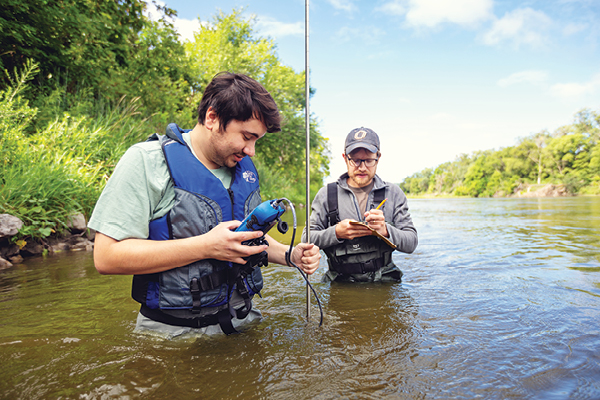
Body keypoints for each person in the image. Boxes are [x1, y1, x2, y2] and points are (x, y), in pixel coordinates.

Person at [89, 72, 321, 338]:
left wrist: (290, 255)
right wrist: (205, 247)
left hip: (243, 322)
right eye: (246, 136)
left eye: (257, 140)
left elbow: (247, 239)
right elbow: (106, 257)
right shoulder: (146, 161)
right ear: (212, 118)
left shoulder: (242, 167)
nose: (251, 151)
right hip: (172, 336)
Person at [303, 127, 417, 283]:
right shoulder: (326, 195)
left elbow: (411, 243)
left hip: (384, 283)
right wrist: (336, 232)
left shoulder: (394, 193)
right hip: (340, 285)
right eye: (355, 160)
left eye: (369, 160)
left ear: (378, 157)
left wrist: (384, 230)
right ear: (345, 158)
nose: (362, 167)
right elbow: (306, 240)